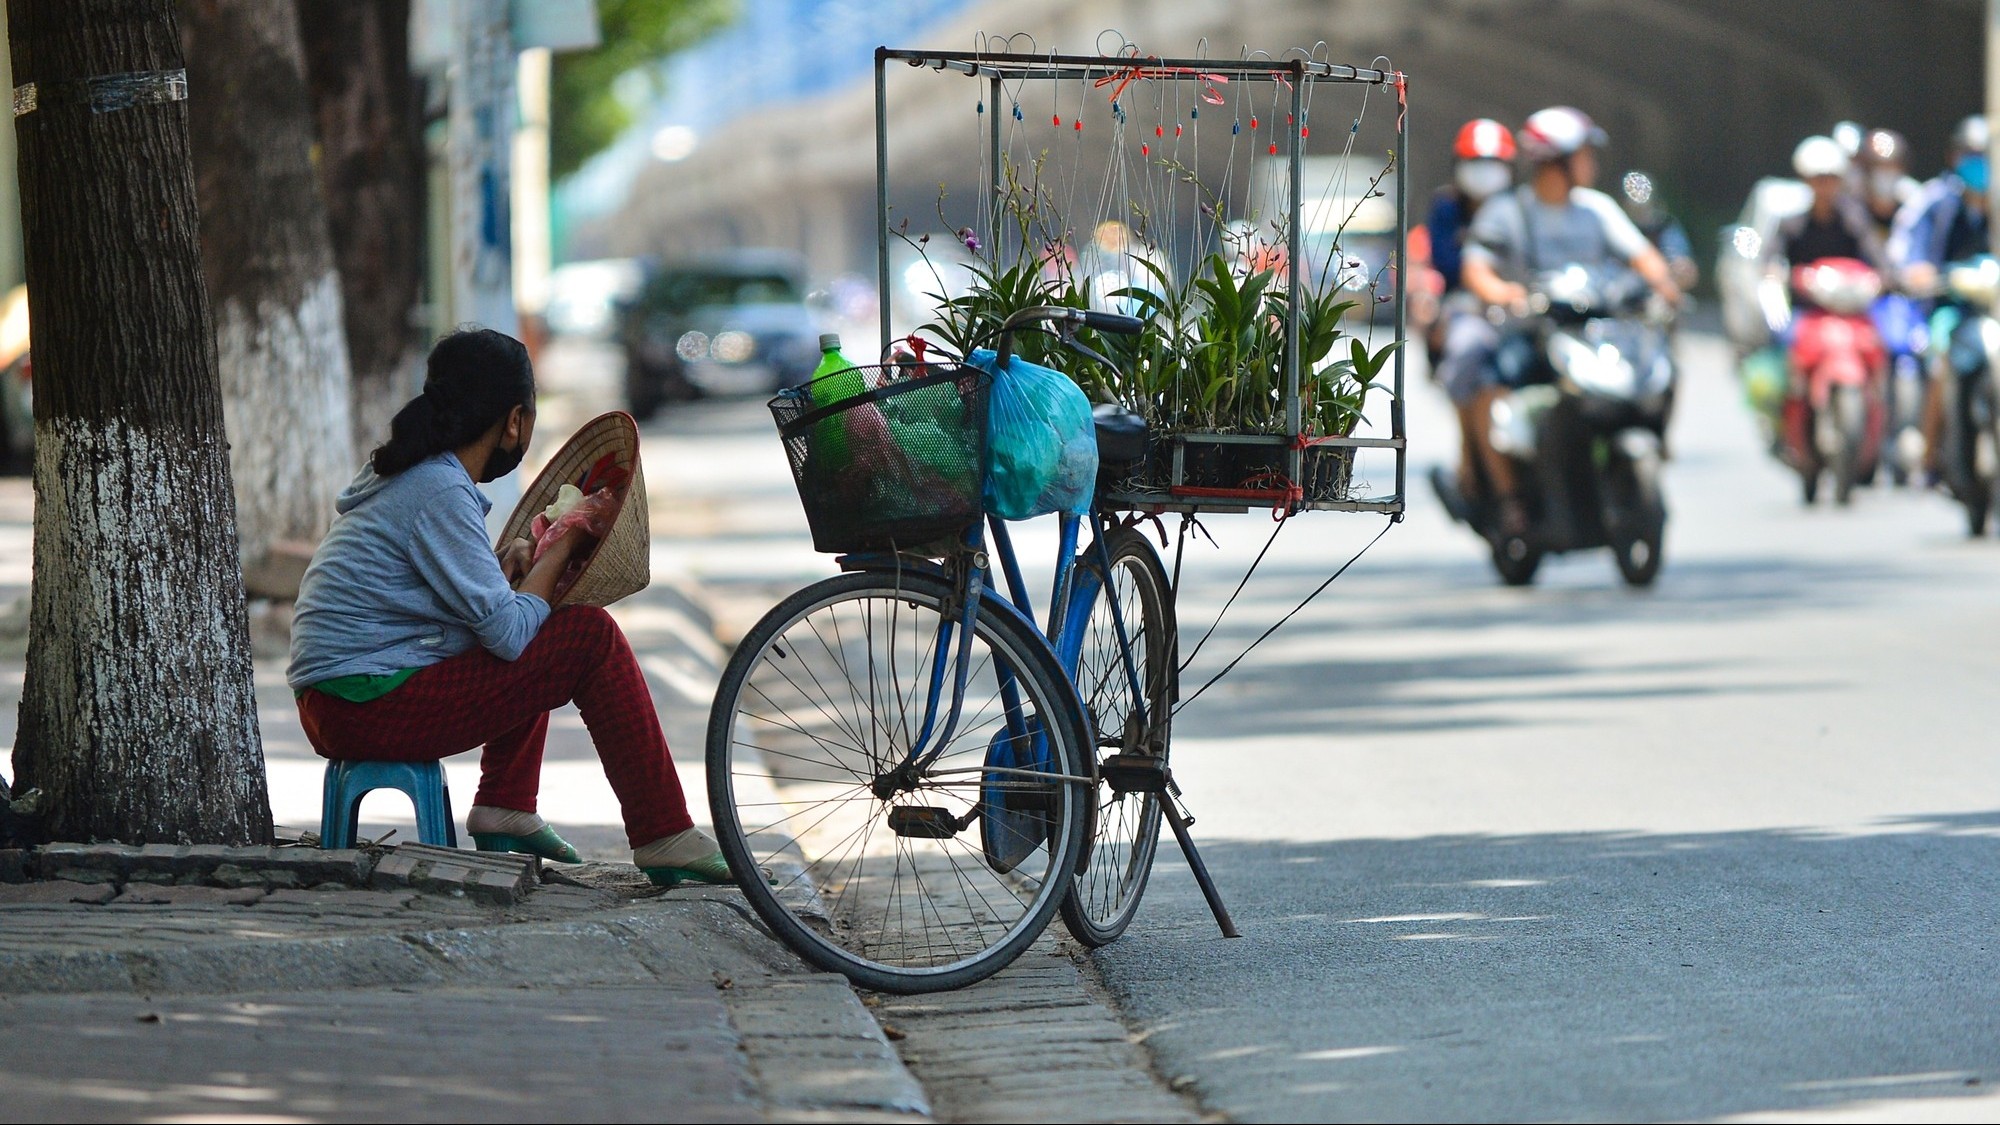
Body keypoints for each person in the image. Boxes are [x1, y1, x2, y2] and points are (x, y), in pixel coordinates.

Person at [287, 327, 732, 886]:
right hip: (360, 703)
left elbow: (465, 609)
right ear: (514, 421)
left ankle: (506, 805)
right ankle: (662, 830)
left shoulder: (415, 475)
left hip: (342, 697)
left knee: (536, 616)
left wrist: (512, 570)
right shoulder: (439, 490)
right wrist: (565, 540)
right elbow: (512, 634)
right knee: (586, 634)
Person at [1455, 106, 1683, 534]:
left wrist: (1666, 286)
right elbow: (1476, 268)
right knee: (1492, 389)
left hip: (1595, 334)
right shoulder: (1508, 212)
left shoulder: (1597, 210)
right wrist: (1502, 292)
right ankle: (1511, 499)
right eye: (1583, 154)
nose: (1591, 164)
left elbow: (1643, 257)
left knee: (1659, 369)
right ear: (1556, 162)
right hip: (1535, 334)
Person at [1893, 116, 1992, 484]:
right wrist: (1918, 271)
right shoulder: (1936, 203)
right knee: (1940, 366)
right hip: (1950, 310)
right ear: (1955, 157)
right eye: (1972, 155)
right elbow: (1911, 251)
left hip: (1992, 310)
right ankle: (1930, 451)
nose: (1980, 163)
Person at [1426, 118, 1517, 490]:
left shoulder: (1519, 208)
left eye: (1493, 164)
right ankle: (1470, 450)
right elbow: (1446, 263)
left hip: (1519, 304)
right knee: (1465, 352)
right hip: (1465, 305)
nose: (1484, 174)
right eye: (1475, 164)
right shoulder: (1446, 208)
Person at [1766, 135, 1890, 291]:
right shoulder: (1791, 224)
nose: (1824, 186)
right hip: (1804, 306)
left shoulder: (1854, 220)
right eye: (1818, 179)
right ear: (1806, 180)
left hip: (1851, 302)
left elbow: (1878, 259)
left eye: (1831, 179)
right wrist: (1779, 276)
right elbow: (1772, 261)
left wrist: (1882, 278)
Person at [1618, 170, 1699, 291]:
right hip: (1622, 289)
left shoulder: (1666, 226)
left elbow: (1682, 262)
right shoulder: (1617, 227)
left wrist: (1680, 269)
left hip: (1661, 289)